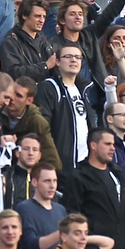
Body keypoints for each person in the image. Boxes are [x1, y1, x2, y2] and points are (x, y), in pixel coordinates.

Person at [35, 43, 97, 171]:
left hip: (85, 166)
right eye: (68, 56)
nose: (73, 60)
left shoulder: (83, 90)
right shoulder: (49, 87)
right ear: (57, 61)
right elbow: (42, 128)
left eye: (77, 57)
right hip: (61, 166)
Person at [3, 77, 63, 172]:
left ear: (29, 100)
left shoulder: (37, 122)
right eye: (12, 92)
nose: (12, 98)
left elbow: (52, 161)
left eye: (18, 95)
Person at [17, 163, 68, 249]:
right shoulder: (25, 208)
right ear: (34, 182)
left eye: (55, 181)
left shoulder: (60, 209)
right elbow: (31, 245)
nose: (52, 186)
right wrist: (63, 233)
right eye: (47, 181)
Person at [0, 0, 57, 83]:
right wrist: (45, 66)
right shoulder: (11, 41)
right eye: (37, 16)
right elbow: (13, 73)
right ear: (24, 16)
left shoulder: (44, 41)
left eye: (44, 17)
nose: (41, 20)